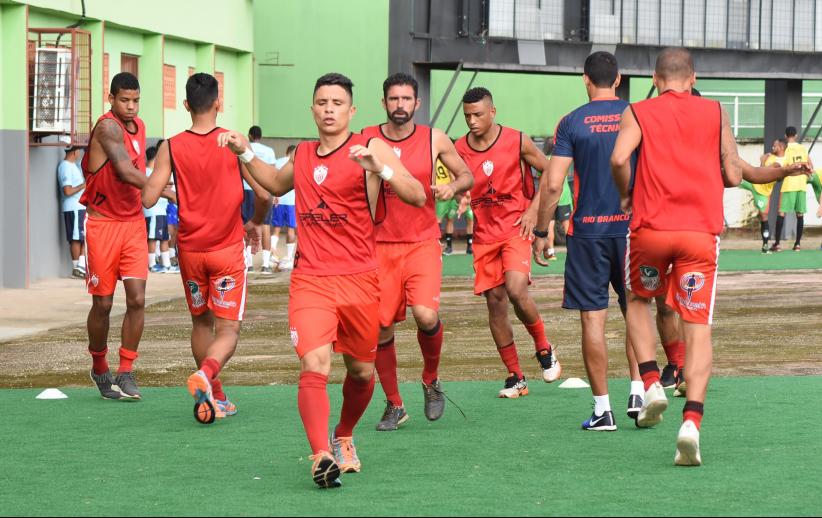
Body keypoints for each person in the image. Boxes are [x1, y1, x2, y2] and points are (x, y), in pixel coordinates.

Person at [219, 73, 426, 488]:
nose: (329, 109)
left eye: (337, 102)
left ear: (352, 111)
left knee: (362, 373)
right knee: (314, 364)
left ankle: (344, 435)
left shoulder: (370, 149)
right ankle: (320, 454)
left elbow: (418, 195)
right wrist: (244, 153)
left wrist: (381, 168)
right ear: (312, 109)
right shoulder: (303, 155)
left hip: (361, 280)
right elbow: (276, 183)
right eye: (321, 102)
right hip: (312, 278)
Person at [611, 47, 809, 465]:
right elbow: (736, 173)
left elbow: (617, 157)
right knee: (697, 327)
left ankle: (651, 383)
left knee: (637, 300)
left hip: (650, 231)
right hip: (699, 235)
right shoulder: (715, 111)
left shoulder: (640, 111)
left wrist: (627, 193)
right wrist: (784, 170)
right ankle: (691, 425)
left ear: (654, 77)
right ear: (693, 77)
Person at [143, 73, 271, 424]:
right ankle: (208, 379)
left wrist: (174, 191)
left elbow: (148, 196)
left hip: (190, 250)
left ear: (186, 105)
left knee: (201, 322)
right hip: (226, 249)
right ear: (218, 102)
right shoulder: (232, 142)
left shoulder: (170, 146)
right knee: (228, 330)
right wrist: (254, 223)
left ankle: (215, 394)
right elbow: (264, 193)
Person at [532, 51, 644, 431]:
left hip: (588, 234)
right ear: (618, 79)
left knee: (593, 319)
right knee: (636, 313)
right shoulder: (638, 116)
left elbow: (552, 183)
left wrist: (541, 229)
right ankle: (638, 392)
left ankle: (602, 410)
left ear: (584, 79)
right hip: (633, 230)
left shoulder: (571, 122)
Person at [362, 72, 474, 431]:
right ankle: (394, 404)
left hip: (422, 242)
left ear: (417, 104)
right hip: (378, 246)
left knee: (425, 316)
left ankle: (431, 379)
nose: (399, 105)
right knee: (379, 327)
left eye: (406, 99)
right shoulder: (367, 138)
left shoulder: (434, 138)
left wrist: (452, 186)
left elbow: (467, 175)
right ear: (384, 103)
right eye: (393, 99)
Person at [455, 86, 561, 399]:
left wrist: (532, 210)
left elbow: (550, 172)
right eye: (467, 116)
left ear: (492, 112)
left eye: (477, 114)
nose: (472, 121)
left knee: (516, 289)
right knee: (495, 303)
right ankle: (515, 376)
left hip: (516, 228)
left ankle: (544, 348)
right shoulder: (459, 147)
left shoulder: (517, 140)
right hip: (484, 235)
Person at [80, 72, 150, 401]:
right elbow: (124, 169)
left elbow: (139, 174)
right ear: (111, 99)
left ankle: (126, 370)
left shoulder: (142, 127)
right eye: (124, 100)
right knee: (104, 303)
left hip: (133, 223)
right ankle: (98, 365)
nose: (131, 106)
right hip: (103, 223)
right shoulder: (107, 127)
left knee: (137, 299)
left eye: (135, 100)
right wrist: (168, 191)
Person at [771, 126, 814, 252]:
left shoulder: (784, 149)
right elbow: (810, 166)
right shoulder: (802, 148)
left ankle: (777, 244)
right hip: (801, 185)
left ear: (785, 136)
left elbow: (783, 167)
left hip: (789, 184)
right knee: (800, 214)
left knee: (781, 213)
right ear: (796, 135)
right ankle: (797, 244)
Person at [739, 138, 784, 253]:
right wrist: (764, 161)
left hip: (763, 193)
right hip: (753, 183)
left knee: (764, 217)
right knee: (734, 176)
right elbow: (758, 172)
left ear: (781, 147)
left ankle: (765, 246)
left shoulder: (781, 162)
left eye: (775, 146)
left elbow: (767, 173)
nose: (772, 147)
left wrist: (763, 161)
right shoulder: (770, 157)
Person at [248, 126, 278, 274]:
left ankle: (248, 264)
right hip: (265, 190)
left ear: (249, 135)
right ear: (260, 136)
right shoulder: (269, 151)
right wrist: (276, 193)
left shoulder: (245, 149)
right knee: (266, 226)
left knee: (247, 224)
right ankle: (265, 265)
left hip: (247, 190)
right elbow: (273, 173)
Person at [144, 145, 176, 273]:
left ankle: (166, 264)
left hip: (162, 210)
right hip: (153, 211)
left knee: (164, 238)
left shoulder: (158, 172)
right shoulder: (146, 172)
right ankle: (151, 265)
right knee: (152, 238)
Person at [58, 145, 87, 279]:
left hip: (79, 207)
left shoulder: (73, 166)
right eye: (79, 152)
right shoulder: (65, 166)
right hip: (73, 208)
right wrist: (84, 185)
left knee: (83, 238)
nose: (80, 154)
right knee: (76, 238)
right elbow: (67, 191)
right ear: (74, 152)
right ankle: (77, 269)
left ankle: (80, 267)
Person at [436, 159, 475, 255]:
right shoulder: (437, 159)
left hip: (459, 194)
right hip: (445, 193)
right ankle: (445, 246)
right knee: (446, 219)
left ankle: (470, 246)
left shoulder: (462, 161)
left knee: (470, 219)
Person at [270, 145, 298, 271]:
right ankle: (289, 258)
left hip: (279, 200)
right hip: (292, 201)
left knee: (276, 228)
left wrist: (275, 195)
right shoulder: (297, 163)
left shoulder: (279, 162)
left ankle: (272, 255)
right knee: (291, 230)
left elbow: (274, 180)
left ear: (287, 152)